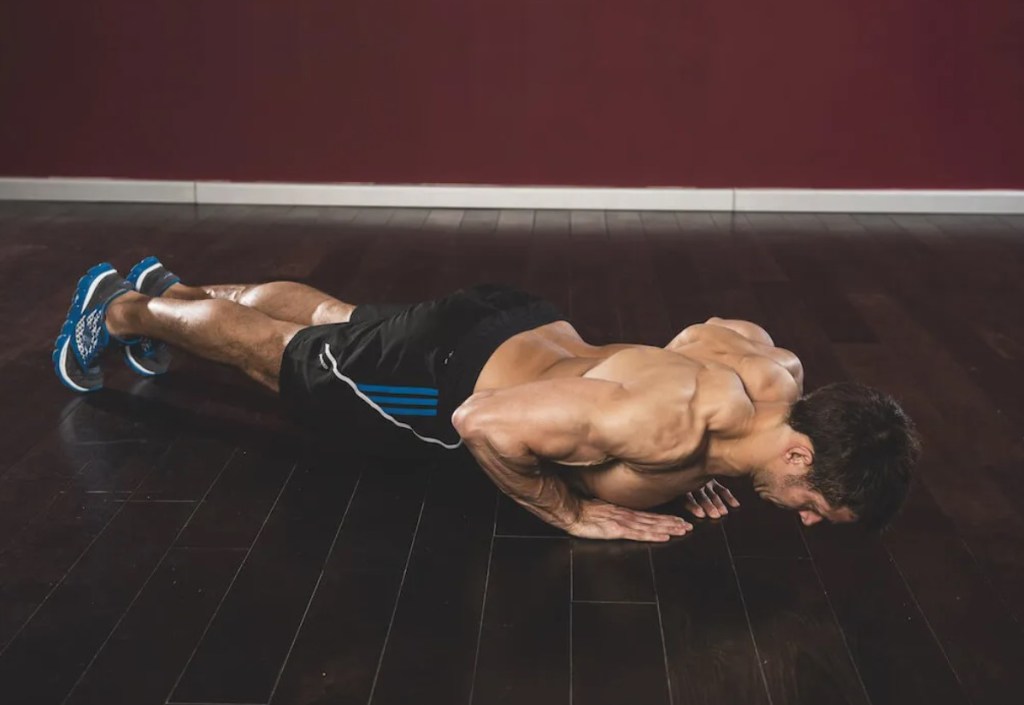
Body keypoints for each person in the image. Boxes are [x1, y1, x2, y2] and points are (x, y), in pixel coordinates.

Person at [54, 258, 920, 542]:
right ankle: (126, 309)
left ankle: (165, 284)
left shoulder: (775, 375)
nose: (806, 518)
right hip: (444, 382)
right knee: (286, 359)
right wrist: (569, 511)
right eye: (818, 506)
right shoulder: (663, 426)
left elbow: (678, 352)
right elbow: (483, 423)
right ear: (800, 453)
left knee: (328, 319)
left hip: (522, 322)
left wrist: (690, 465)